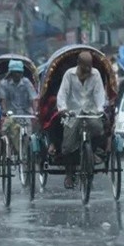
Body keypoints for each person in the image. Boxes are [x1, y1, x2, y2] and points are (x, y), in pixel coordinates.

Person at [53, 51, 106, 189]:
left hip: (90, 112)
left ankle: (92, 152)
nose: (87, 71)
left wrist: (100, 108)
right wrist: (63, 109)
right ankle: (69, 174)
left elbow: (99, 94)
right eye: (84, 68)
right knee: (68, 145)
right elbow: (62, 94)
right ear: (78, 64)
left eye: (89, 68)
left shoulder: (96, 75)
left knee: (99, 129)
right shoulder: (69, 75)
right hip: (73, 113)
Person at [0, 60, 37, 154]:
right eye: (15, 72)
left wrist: (36, 111)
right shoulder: (4, 84)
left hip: (25, 114)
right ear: (11, 72)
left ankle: (25, 155)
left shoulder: (26, 82)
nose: (17, 75)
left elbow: (33, 98)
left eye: (19, 72)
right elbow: (2, 99)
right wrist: (4, 111)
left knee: (28, 136)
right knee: (4, 130)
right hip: (11, 114)